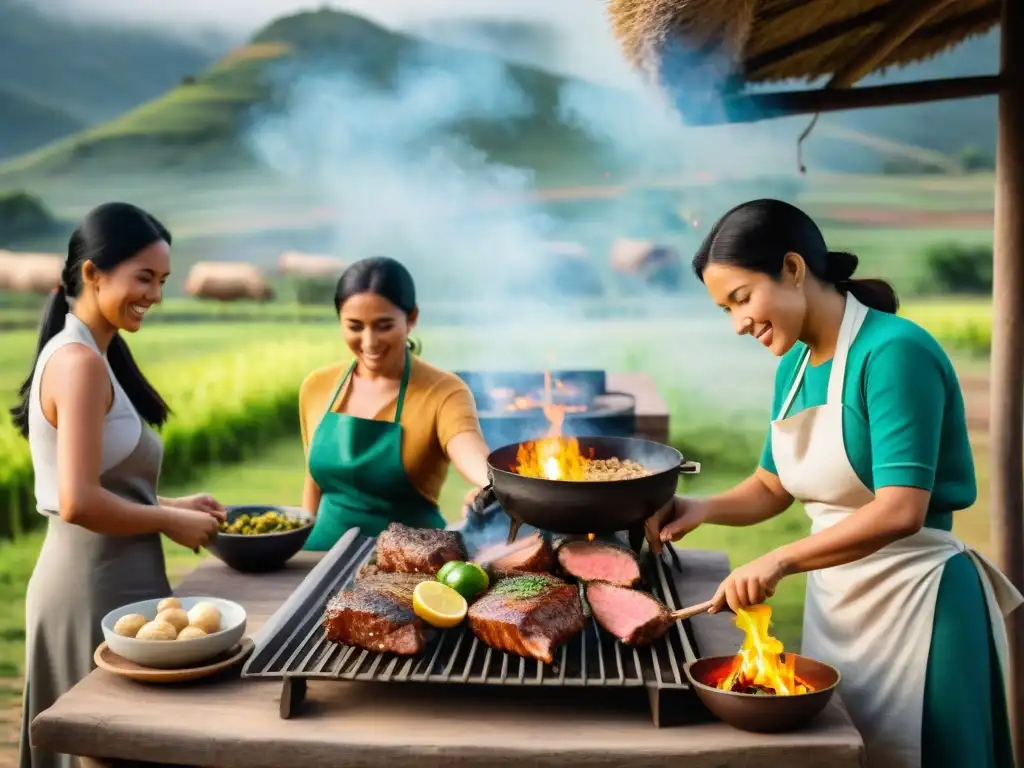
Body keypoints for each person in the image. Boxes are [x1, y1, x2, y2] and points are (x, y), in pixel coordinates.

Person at [648, 199, 1023, 768]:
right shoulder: (794, 367)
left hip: (919, 604)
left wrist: (778, 561)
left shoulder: (895, 352)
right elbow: (772, 486)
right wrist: (699, 506)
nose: (738, 324)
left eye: (742, 298)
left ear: (793, 270)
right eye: (725, 309)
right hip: (839, 605)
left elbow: (901, 511)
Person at [13, 202, 227, 768]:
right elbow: (77, 502)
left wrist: (172, 504)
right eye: (144, 278)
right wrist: (169, 520)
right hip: (89, 588)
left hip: (116, 579)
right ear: (92, 273)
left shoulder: (93, 355)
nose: (155, 295)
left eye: (162, 281)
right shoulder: (79, 363)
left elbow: (95, 482)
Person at [299, 256, 491, 548]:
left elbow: (471, 453)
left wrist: (490, 487)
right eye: (354, 326)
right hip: (320, 558)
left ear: (411, 318)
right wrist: (297, 547)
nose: (369, 341)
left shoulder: (444, 391)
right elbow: (313, 483)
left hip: (411, 564)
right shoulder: (317, 386)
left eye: (383, 326)